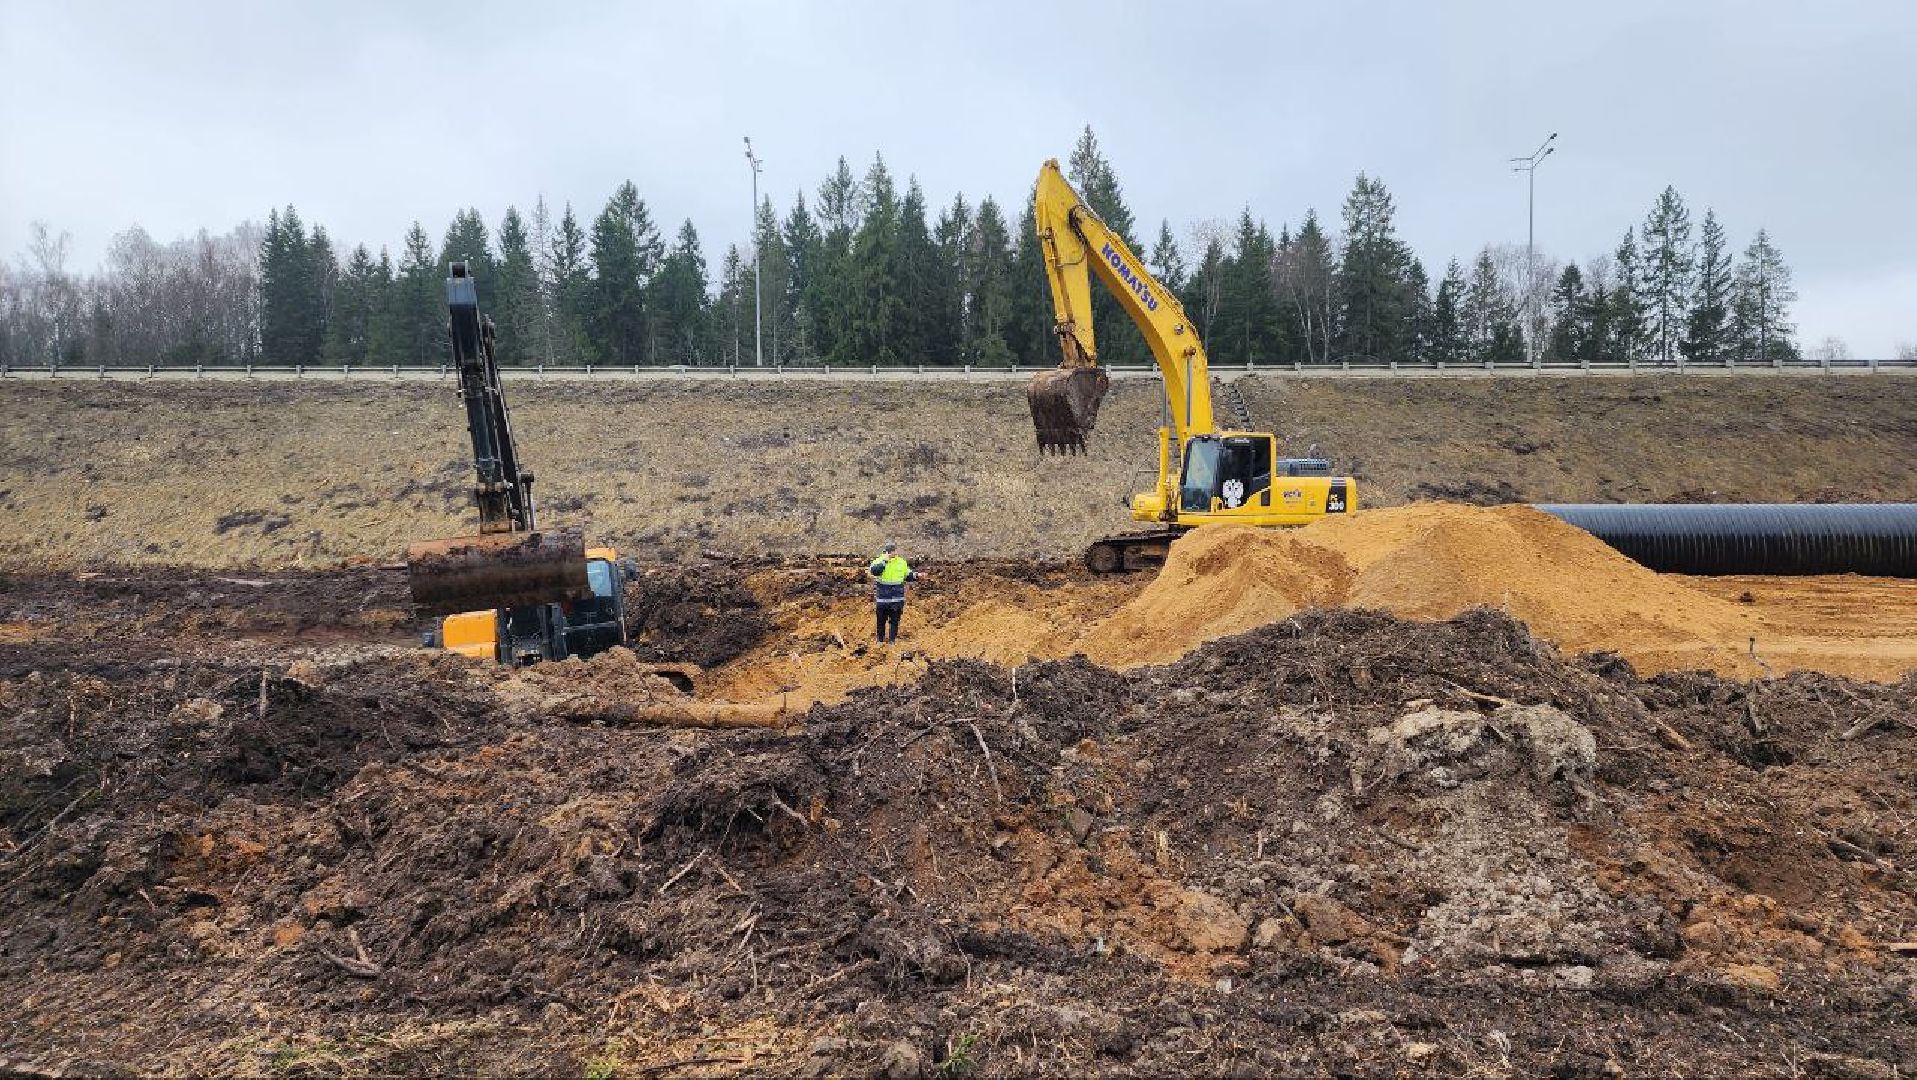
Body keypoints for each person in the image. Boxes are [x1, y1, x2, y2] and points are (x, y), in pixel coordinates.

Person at [867, 541, 921, 644]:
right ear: (886, 551)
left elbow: (908, 575)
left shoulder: (901, 562)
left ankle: (892, 641)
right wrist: (885, 561)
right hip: (883, 599)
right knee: (881, 622)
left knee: (895, 621)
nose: (892, 552)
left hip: (897, 598)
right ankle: (880, 641)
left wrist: (917, 576)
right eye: (890, 551)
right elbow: (875, 571)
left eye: (893, 550)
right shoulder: (878, 561)